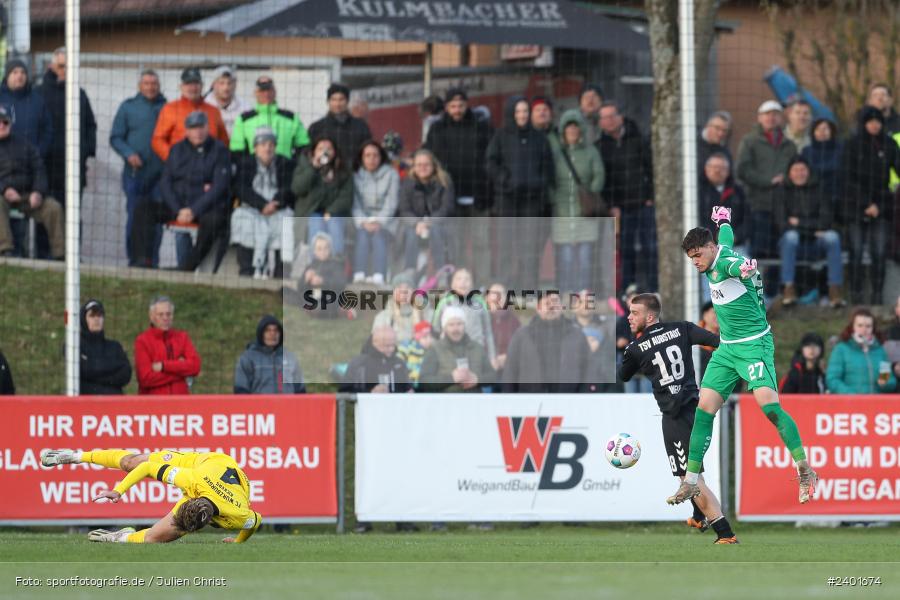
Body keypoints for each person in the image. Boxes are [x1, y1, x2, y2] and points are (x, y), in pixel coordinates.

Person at [672, 206, 816, 506]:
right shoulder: (720, 245)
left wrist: (745, 270)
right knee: (704, 409)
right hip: (727, 349)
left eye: (698, 255)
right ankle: (690, 481)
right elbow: (727, 234)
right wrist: (723, 218)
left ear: (710, 249)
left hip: (754, 346)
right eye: (691, 258)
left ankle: (804, 468)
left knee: (770, 408)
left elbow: (734, 268)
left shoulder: (723, 262)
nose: (695, 262)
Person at [619, 293, 737, 544]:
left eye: (634, 313)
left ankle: (725, 534)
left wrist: (634, 348)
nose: (629, 317)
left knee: (688, 479)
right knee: (693, 473)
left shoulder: (636, 348)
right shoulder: (682, 328)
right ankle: (698, 515)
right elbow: (718, 342)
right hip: (697, 410)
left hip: (675, 416)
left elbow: (624, 375)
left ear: (650, 316)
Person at [40, 448, 260, 543]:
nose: (176, 518)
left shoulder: (239, 514)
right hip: (201, 464)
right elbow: (147, 468)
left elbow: (256, 521)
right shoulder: (189, 479)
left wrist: (237, 543)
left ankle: (120, 537)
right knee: (131, 463)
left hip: (218, 482)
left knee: (154, 538)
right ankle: (76, 456)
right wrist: (119, 490)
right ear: (189, 498)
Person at [132, 111, 231, 271]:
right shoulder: (177, 149)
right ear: (186, 130)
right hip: (177, 206)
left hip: (203, 209)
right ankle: (143, 261)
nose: (197, 132)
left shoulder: (219, 150)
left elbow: (219, 186)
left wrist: (194, 210)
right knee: (143, 208)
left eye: (201, 127)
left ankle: (187, 267)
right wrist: (178, 209)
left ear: (207, 128)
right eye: (193, 128)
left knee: (215, 221)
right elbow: (165, 182)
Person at [424, 88, 493, 281]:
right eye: (453, 106)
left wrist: (487, 187)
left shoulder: (482, 127)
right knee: (457, 244)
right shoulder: (437, 130)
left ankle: (483, 283)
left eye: (461, 105)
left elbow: (491, 160)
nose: (457, 110)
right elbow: (430, 160)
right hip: (450, 199)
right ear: (446, 107)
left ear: (467, 105)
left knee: (481, 243)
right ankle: (460, 284)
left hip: (478, 197)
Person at [486, 95, 554, 290]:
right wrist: (505, 181)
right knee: (506, 246)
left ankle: (528, 287)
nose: (522, 115)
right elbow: (491, 163)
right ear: (511, 113)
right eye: (518, 111)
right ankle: (505, 286)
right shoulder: (500, 136)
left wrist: (538, 182)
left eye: (525, 111)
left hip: (532, 202)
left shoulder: (539, 138)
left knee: (530, 247)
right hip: (507, 200)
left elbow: (548, 167)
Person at [840, 106, 900, 304]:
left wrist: (878, 205)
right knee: (855, 252)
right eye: (870, 121)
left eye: (878, 121)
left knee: (879, 252)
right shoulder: (852, 145)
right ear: (863, 123)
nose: (875, 125)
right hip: (855, 207)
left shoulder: (889, 144)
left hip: (882, 207)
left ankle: (877, 296)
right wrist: (865, 204)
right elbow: (847, 179)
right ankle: (856, 295)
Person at [597, 100, 655, 292]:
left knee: (650, 247)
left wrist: (651, 196)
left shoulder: (638, 138)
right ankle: (628, 290)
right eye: (604, 117)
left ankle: (653, 287)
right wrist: (611, 205)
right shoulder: (600, 147)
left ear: (620, 117)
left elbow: (652, 168)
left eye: (612, 116)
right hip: (620, 208)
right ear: (600, 123)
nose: (609, 121)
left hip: (643, 203)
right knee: (625, 249)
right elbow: (603, 181)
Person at [110, 69, 166, 265]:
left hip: (161, 176)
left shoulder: (167, 107)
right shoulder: (128, 107)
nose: (150, 87)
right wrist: (129, 154)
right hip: (135, 174)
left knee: (157, 221)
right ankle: (134, 260)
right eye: (146, 83)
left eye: (154, 84)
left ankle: (153, 261)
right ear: (139, 86)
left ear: (159, 86)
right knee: (134, 216)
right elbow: (115, 137)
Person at [774, 156, 844, 307]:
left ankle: (835, 290)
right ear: (789, 173)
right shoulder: (781, 191)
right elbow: (782, 224)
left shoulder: (820, 189)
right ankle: (788, 288)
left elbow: (826, 221)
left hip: (816, 244)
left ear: (809, 172)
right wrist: (813, 230)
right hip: (791, 246)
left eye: (803, 170)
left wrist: (799, 223)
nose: (799, 173)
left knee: (832, 237)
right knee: (791, 236)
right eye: (796, 170)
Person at [0, 105, 65, 259]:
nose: (2, 125)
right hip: (3, 197)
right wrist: (4, 190)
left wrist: (38, 192)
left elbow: (39, 169)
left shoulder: (25, 145)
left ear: (11, 124)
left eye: (5, 122)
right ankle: (5, 249)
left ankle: (61, 255)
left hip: (27, 196)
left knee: (53, 208)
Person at [230, 126, 295, 278]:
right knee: (241, 218)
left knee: (289, 222)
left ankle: (282, 272)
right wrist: (261, 205)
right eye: (263, 144)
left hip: (277, 207)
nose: (267, 148)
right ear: (255, 147)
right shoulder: (246, 163)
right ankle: (247, 270)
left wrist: (275, 203)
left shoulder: (284, 163)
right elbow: (240, 188)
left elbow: (289, 186)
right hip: (252, 207)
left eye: (271, 144)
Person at [551, 109, 605, 293]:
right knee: (564, 259)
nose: (572, 132)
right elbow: (549, 178)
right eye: (569, 129)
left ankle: (583, 294)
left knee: (585, 259)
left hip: (585, 212)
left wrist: (590, 192)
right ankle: (566, 294)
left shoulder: (591, 152)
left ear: (580, 131)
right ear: (563, 132)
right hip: (562, 212)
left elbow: (599, 174)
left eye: (575, 129)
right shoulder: (557, 153)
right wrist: (554, 198)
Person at [735, 100, 797, 259]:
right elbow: (742, 170)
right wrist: (768, 181)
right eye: (767, 114)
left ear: (781, 118)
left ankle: (776, 285)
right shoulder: (749, 141)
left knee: (778, 253)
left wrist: (787, 179)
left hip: (783, 206)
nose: (771, 118)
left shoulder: (789, 145)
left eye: (776, 114)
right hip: (757, 205)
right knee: (759, 251)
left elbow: (795, 170)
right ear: (759, 118)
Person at [502, 291, 590, 393]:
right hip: (530, 403)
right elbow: (510, 373)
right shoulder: (522, 336)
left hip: (568, 402)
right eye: (547, 303)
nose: (551, 306)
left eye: (555, 302)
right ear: (538, 309)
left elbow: (588, 372)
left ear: (561, 307)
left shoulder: (576, 336)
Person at [40, 47, 97, 204]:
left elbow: (90, 125)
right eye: (61, 66)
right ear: (51, 67)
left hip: (74, 168)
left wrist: (85, 150)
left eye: (70, 66)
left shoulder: (79, 94)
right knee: (47, 220)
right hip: (46, 169)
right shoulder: (38, 93)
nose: (66, 70)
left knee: (73, 218)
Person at [151, 67, 228, 163]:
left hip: (209, 171)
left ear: (202, 85)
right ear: (181, 87)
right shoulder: (169, 109)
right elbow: (158, 140)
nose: (193, 88)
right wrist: (174, 159)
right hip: (180, 171)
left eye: (196, 83)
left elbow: (224, 141)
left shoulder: (213, 111)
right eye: (188, 84)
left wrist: (218, 162)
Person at [397, 148, 454, 274]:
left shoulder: (444, 181)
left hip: (438, 224)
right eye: (419, 165)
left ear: (433, 165)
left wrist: (429, 222)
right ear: (414, 166)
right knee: (411, 233)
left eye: (426, 164)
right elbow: (404, 210)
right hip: (414, 225)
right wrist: (417, 223)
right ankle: (409, 271)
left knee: (436, 231)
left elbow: (447, 208)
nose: (423, 167)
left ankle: (441, 273)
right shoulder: (407, 183)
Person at [292, 137, 352, 256]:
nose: (325, 152)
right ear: (314, 151)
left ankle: (336, 263)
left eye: (329, 148)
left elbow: (346, 197)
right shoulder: (304, 166)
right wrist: (313, 168)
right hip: (309, 213)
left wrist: (330, 211)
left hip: (334, 213)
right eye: (320, 149)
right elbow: (297, 189)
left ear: (335, 152)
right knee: (316, 223)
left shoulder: (342, 170)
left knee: (335, 223)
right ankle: (315, 264)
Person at [352, 140, 399, 285]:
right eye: (367, 155)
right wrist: (363, 222)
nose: (371, 159)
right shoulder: (355, 176)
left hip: (386, 221)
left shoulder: (391, 174)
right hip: (363, 221)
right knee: (362, 235)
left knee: (379, 235)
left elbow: (392, 203)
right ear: (362, 158)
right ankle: (359, 274)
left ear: (381, 157)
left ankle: (379, 275)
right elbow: (355, 204)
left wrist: (379, 221)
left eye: (375, 155)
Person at [134, 296, 201, 395]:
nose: (165, 318)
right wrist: (181, 372)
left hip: (181, 404)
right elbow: (145, 378)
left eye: (168, 314)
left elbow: (195, 366)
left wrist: (164, 366)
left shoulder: (182, 337)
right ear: (151, 316)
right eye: (160, 315)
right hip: (154, 405)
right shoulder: (142, 341)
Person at [230, 75, 309, 159]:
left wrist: (292, 166)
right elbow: (237, 151)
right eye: (262, 90)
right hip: (254, 170)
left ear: (275, 92)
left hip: (284, 169)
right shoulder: (244, 119)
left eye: (269, 90)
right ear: (255, 93)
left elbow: (304, 147)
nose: (266, 94)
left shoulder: (291, 118)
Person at [419, 306, 495, 393]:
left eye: (459, 324)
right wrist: (451, 378)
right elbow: (423, 381)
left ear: (464, 325)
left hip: (475, 403)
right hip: (446, 404)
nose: (456, 329)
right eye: (451, 325)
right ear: (444, 327)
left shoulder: (477, 348)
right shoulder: (435, 349)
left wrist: (477, 379)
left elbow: (493, 377)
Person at [826, 308, 897, 394]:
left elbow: (888, 377)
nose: (864, 330)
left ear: (873, 328)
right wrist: (850, 394)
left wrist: (885, 382)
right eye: (860, 325)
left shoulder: (880, 351)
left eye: (868, 326)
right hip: (850, 404)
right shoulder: (841, 349)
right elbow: (832, 380)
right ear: (852, 327)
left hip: (876, 404)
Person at [432, 268, 495, 361]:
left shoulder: (480, 303)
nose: (463, 282)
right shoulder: (444, 303)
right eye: (459, 279)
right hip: (450, 355)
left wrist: (492, 357)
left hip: (476, 353)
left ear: (472, 284)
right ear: (452, 284)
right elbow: (435, 330)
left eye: (467, 279)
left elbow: (488, 333)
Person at [234, 315, 305, 394]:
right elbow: (241, 390)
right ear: (261, 334)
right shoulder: (247, 358)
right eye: (268, 330)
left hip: (287, 406)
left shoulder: (291, 358)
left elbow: (301, 391)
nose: (272, 334)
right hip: (260, 406)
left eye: (276, 330)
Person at [0, 59, 53, 162]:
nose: (19, 76)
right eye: (15, 72)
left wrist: (39, 153)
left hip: (30, 163)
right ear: (7, 76)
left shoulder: (37, 100)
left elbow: (47, 130)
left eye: (23, 72)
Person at [307, 83, 372, 165]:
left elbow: (368, 151)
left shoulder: (360, 126)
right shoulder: (316, 128)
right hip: (324, 175)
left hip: (355, 175)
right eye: (333, 99)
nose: (337, 104)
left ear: (347, 101)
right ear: (328, 101)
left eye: (341, 99)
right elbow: (309, 156)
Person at [698, 153, 749, 252]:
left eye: (722, 168)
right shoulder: (698, 192)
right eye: (714, 167)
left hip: (734, 245)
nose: (717, 170)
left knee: (743, 265)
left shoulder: (738, 192)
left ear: (728, 172)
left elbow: (747, 220)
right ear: (706, 169)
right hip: (703, 245)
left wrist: (735, 236)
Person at [79, 299, 132, 395]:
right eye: (92, 316)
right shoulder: (75, 347)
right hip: (86, 405)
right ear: (83, 319)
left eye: (99, 315)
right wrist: (111, 370)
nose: (96, 319)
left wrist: (93, 376)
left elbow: (125, 375)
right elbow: (83, 370)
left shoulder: (115, 347)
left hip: (114, 405)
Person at [339, 326, 411, 393]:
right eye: (387, 346)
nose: (391, 349)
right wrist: (371, 393)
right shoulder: (359, 364)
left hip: (396, 405)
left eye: (393, 345)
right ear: (375, 343)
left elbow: (407, 388)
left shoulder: (399, 364)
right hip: (366, 405)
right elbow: (345, 393)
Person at [572, 289, 617, 392]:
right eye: (581, 302)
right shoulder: (567, 328)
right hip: (576, 384)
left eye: (589, 302)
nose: (586, 305)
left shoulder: (608, 326)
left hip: (604, 383)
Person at [372, 272, 432, 343]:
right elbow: (377, 343)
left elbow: (434, 340)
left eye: (408, 287)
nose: (403, 291)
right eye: (399, 287)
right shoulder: (383, 317)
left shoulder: (427, 313)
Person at [801, 118, 842, 204]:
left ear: (831, 131)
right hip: (813, 197)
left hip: (838, 196)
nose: (821, 132)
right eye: (818, 129)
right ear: (813, 132)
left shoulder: (841, 149)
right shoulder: (806, 151)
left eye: (825, 129)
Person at [204, 65, 249, 137]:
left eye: (229, 83)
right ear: (213, 85)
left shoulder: (245, 107)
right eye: (221, 83)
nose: (226, 87)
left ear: (235, 85)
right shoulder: (204, 106)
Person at [486, 282, 521, 375]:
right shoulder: (481, 319)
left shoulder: (514, 321)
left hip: (508, 369)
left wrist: (507, 357)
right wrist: (489, 359)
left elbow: (520, 346)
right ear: (487, 298)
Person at [397, 321, 435, 388]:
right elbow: (398, 362)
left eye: (431, 337)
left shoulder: (433, 350)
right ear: (417, 338)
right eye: (425, 337)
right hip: (409, 382)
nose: (429, 340)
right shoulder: (408, 346)